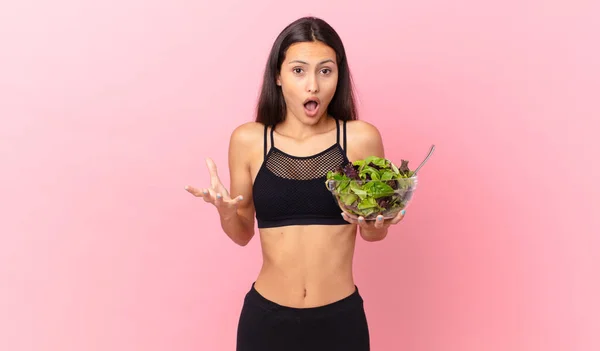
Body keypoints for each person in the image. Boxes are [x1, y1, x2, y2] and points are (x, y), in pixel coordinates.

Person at [185, 16, 406, 351]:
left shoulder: (360, 139)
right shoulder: (249, 140)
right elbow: (242, 233)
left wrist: (381, 219)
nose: (312, 86)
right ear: (278, 75)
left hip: (340, 321)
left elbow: (372, 233)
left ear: (338, 75)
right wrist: (225, 211)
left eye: (325, 70)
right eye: (299, 70)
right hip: (267, 322)